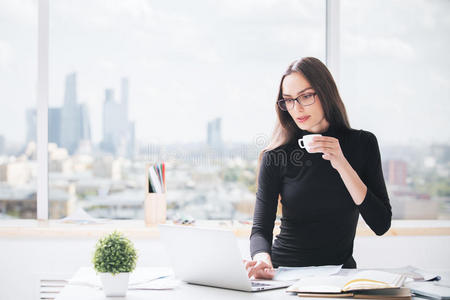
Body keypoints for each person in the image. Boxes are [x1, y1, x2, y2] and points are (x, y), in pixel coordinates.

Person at [244, 57, 392, 280]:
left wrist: (341, 163)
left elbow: (381, 224)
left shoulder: (363, 144)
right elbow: (260, 229)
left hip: (340, 277)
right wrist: (263, 257)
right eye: (289, 100)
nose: (297, 108)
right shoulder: (276, 155)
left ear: (325, 93)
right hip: (286, 274)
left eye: (306, 96)